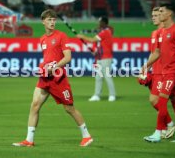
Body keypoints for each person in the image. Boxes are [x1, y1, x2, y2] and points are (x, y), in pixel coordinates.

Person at [12, 9, 93, 147]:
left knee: (69, 108)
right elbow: (48, 57)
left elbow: (68, 57)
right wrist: (44, 67)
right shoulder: (42, 39)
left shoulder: (61, 36)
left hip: (58, 79)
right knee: (35, 105)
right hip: (45, 77)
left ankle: (87, 136)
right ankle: (29, 140)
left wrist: (54, 67)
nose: (52, 22)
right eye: (49, 20)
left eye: (54, 20)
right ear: (43, 21)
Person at [142, 3, 175, 143]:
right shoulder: (162, 32)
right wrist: (146, 66)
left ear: (169, 14)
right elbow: (157, 52)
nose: (159, 13)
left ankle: (158, 132)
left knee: (161, 101)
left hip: (173, 73)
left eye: (161, 11)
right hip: (165, 72)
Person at [139, 7, 175, 139]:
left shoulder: (165, 32)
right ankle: (170, 125)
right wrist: (147, 68)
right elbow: (154, 52)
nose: (153, 17)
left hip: (165, 72)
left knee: (158, 100)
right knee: (160, 101)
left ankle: (166, 127)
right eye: (152, 15)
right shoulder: (155, 33)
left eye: (156, 15)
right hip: (157, 71)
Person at [76, 16, 116, 102]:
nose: (99, 24)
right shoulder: (103, 32)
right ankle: (97, 95)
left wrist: (82, 36)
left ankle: (112, 95)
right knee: (98, 77)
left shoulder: (105, 32)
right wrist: (94, 51)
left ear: (105, 23)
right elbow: (98, 44)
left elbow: (92, 40)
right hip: (99, 57)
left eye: (100, 22)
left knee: (107, 76)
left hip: (106, 57)